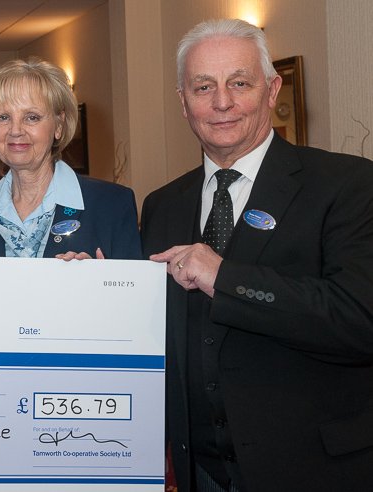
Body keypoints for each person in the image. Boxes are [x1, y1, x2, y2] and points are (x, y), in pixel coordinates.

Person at [141, 18, 373, 492]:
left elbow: (359, 320)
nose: (221, 102)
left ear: (271, 89)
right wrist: (93, 290)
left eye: (239, 83)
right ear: (183, 101)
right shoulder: (162, 204)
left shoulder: (348, 185)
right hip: (201, 472)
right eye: (203, 86)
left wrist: (224, 277)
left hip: (314, 471)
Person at [0, 57, 140, 259]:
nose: (15, 130)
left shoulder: (111, 205)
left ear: (59, 125)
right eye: (3, 117)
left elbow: (135, 289)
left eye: (32, 117)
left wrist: (100, 283)